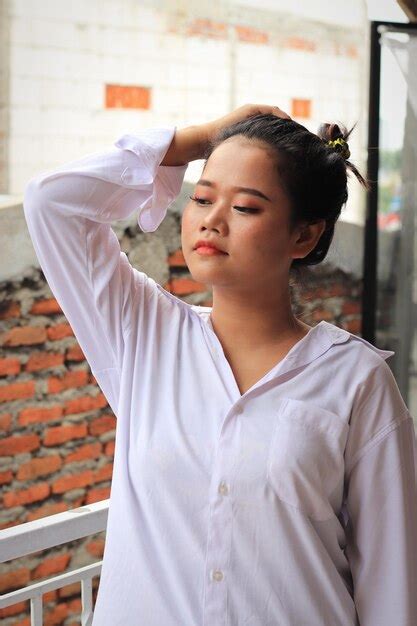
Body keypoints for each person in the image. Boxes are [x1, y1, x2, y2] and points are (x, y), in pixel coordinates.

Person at [23, 104, 417, 625]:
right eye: (202, 197)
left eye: (247, 208)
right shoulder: (142, 334)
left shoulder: (357, 380)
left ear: (304, 236)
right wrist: (199, 140)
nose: (210, 218)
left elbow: (391, 582)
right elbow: (53, 203)